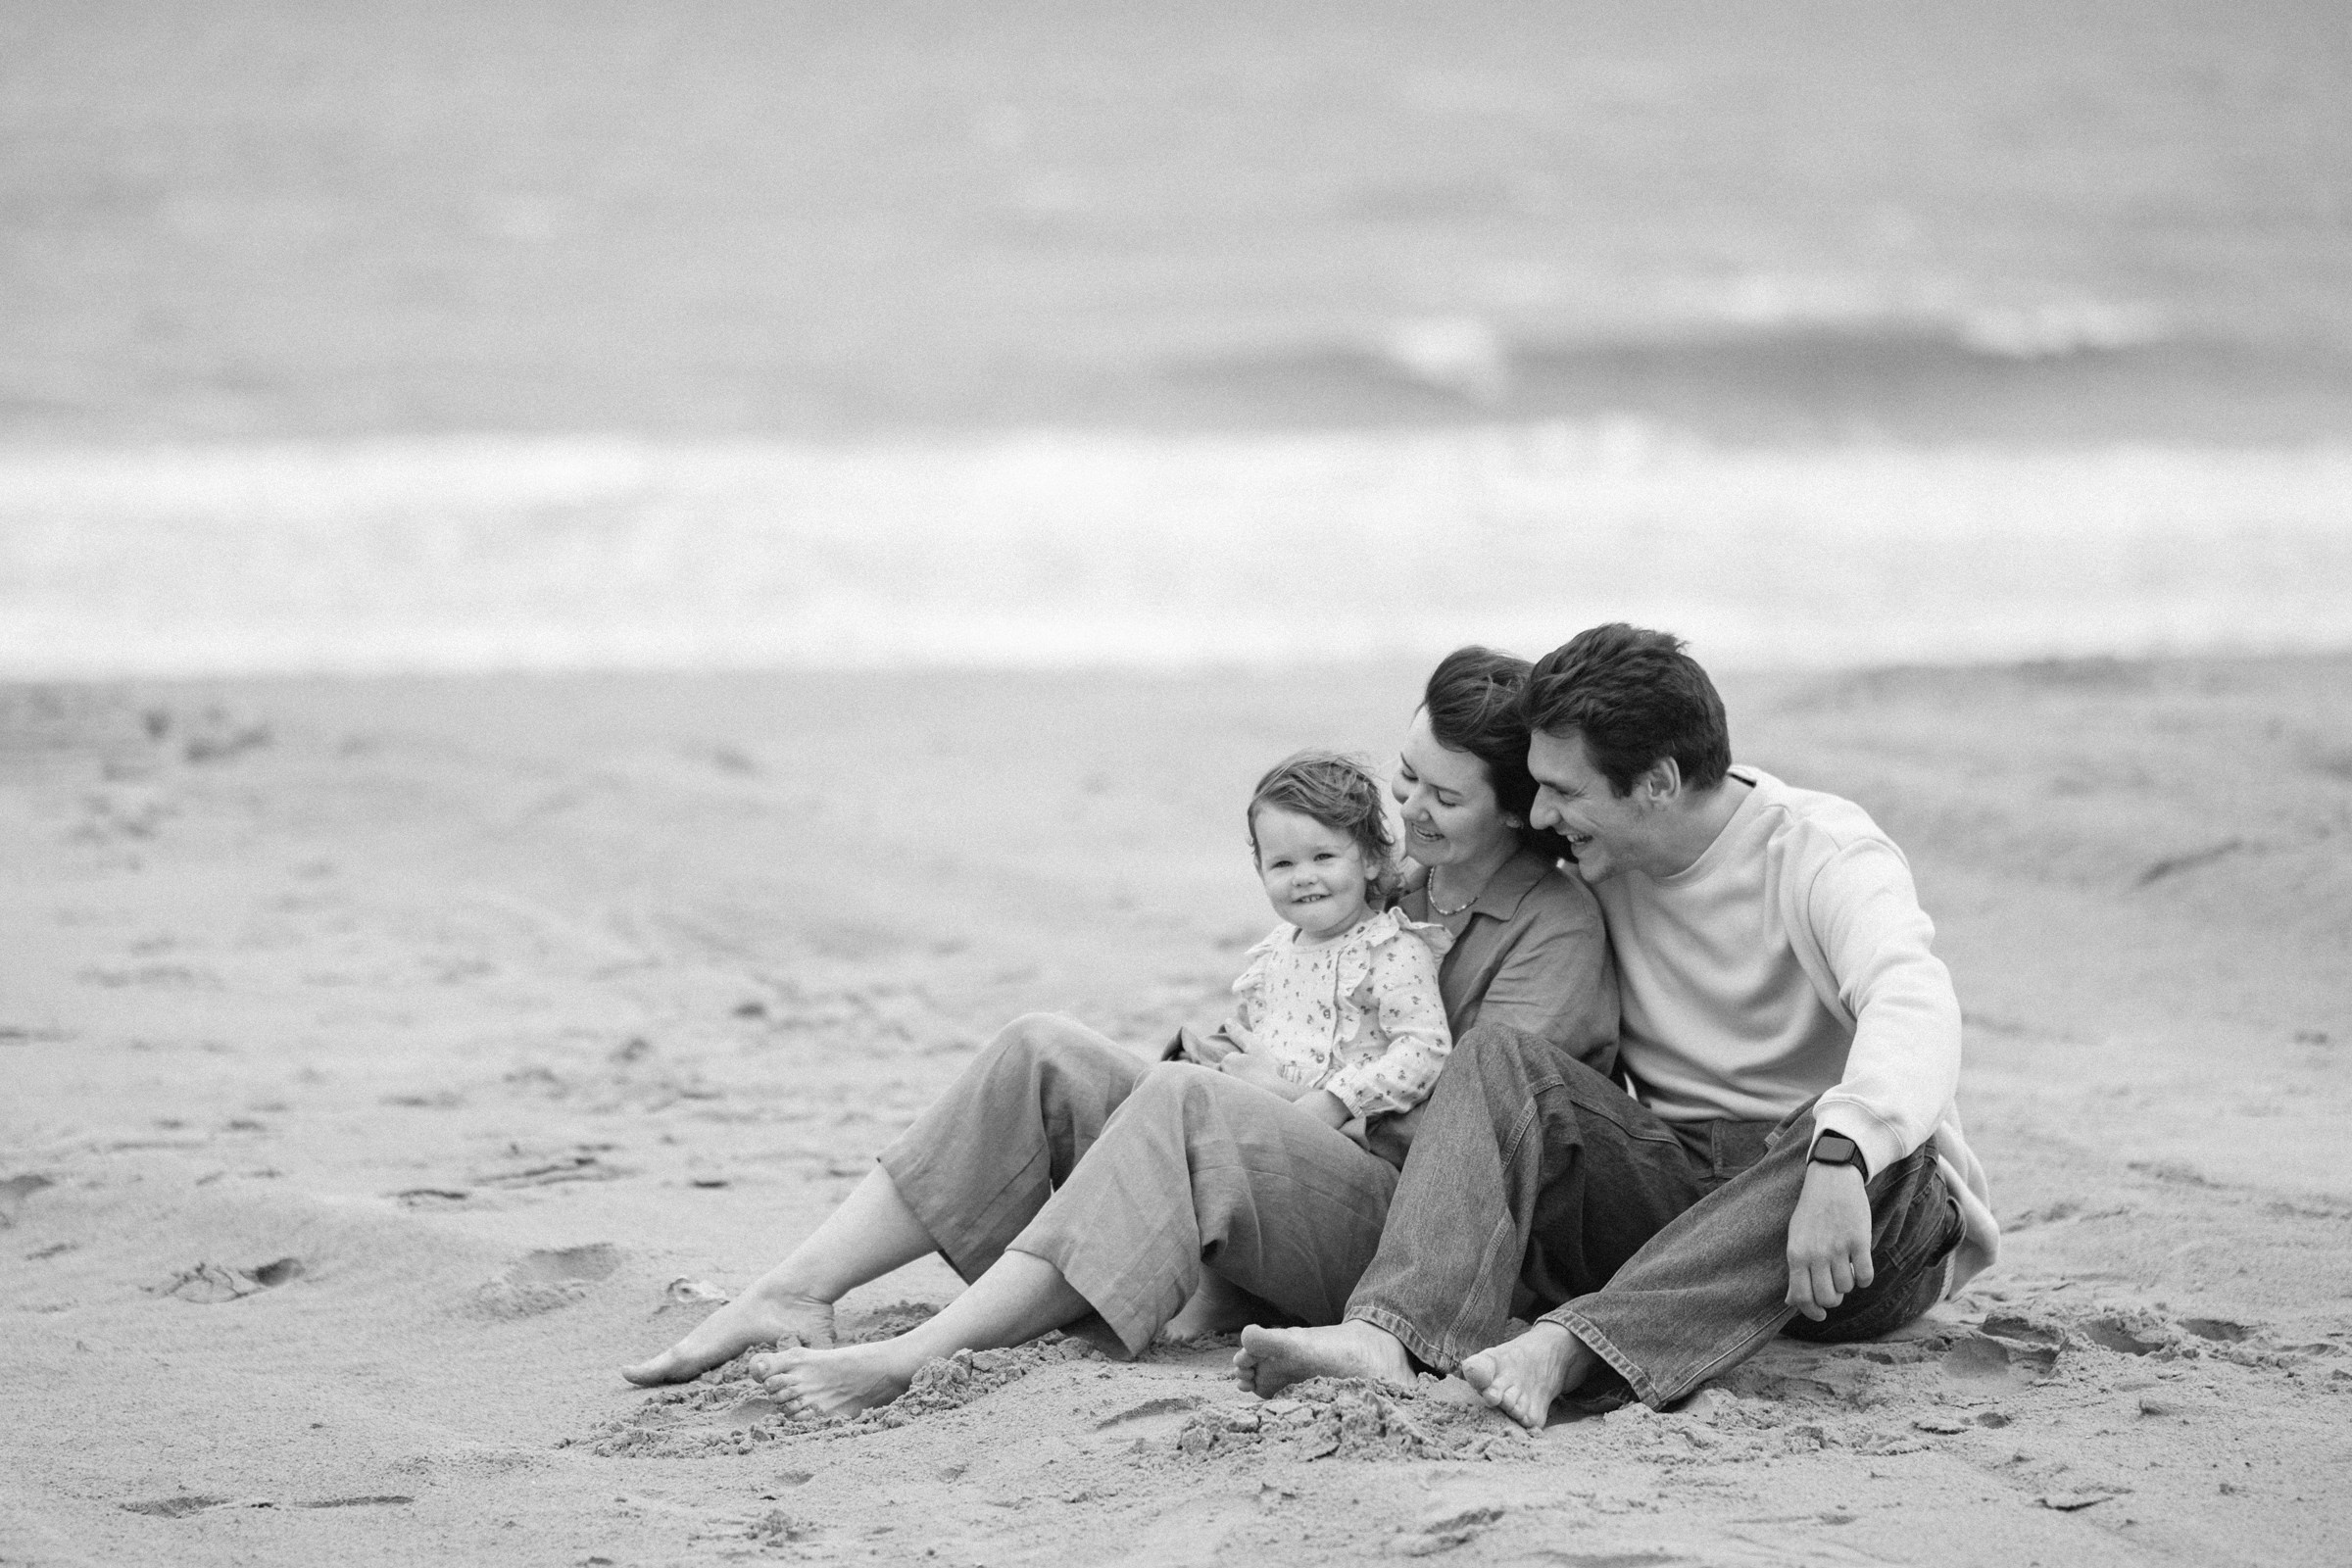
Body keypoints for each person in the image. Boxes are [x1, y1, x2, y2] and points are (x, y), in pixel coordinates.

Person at [617, 647, 1618, 1418]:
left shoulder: (1556, 931)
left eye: (1444, 797)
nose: (1407, 808)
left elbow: (1484, 1143)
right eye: (1405, 779)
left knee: (1188, 1107)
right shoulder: (1389, 875)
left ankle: (908, 1360)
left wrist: (1279, 1099)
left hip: (1407, 1239)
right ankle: (793, 1289)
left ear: (1519, 808)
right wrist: (1236, 1052)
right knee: (1040, 1046)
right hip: (1296, 1155)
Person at [1234, 624, 1999, 1427]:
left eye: (1564, 792)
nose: (1539, 813)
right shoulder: (1594, 865)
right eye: (1533, 787)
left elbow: (1913, 999)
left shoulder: (1820, 849)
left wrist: (1844, 1155)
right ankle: (1386, 1335)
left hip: (1852, 1230)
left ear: (1659, 782)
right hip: (1678, 1192)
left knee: (1851, 1126)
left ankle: (1569, 1349)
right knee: (1497, 1059)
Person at [1180, 751, 1454, 1134]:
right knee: (1169, 1086)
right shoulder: (1273, 955)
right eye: (1283, 864)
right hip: (1262, 1118)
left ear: (1372, 859)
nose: (1303, 877)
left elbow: (1426, 1051)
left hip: (1337, 1140)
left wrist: (1337, 1101)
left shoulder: (1390, 950)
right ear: (1260, 871)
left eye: (1323, 857)